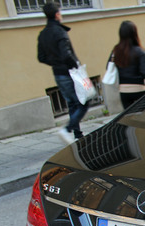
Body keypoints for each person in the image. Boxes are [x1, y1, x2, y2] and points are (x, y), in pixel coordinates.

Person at [37, 2, 88, 144]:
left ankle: (77, 134)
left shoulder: (43, 34)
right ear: (57, 14)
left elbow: (41, 57)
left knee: (72, 103)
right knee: (84, 102)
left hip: (58, 73)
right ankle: (68, 129)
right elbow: (66, 55)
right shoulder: (59, 32)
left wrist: (55, 63)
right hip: (69, 73)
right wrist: (76, 67)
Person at [111, 21, 145, 109]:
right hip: (139, 89)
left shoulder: (116, 50)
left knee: (128, 117)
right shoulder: (139, 51)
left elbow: (109, 67)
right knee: (143, 116)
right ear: (134, 33)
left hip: (123, 91)